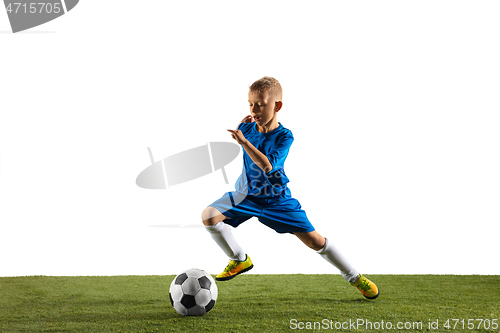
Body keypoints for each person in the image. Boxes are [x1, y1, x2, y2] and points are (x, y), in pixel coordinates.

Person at [201, 76, 378, 299]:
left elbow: (267, 165)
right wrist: (242, 130)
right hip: (245, 195)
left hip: (277, 200)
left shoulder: (285, 136)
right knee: (209, 216)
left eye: (261, 104)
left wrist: (244, 141)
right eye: (250, 103)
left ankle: (354, 277)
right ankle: (239, 259)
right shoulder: (247, 127)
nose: (255, 109)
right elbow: (245, 134)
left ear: (277, 106)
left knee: (316, 241)